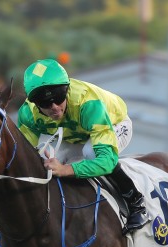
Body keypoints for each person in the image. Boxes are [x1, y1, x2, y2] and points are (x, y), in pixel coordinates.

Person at [17, 58, 149, 235]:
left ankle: (136, 202)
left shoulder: (88, 103)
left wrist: (66, 169)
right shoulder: (28, 115)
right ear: (34, 103)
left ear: (67, 90)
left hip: (115, 124)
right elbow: (25, 157)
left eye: (59, 98)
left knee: (90, 152)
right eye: (45, 103)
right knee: (46, 161)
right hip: (76, 134)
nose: (54, 107)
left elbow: (107, 161)